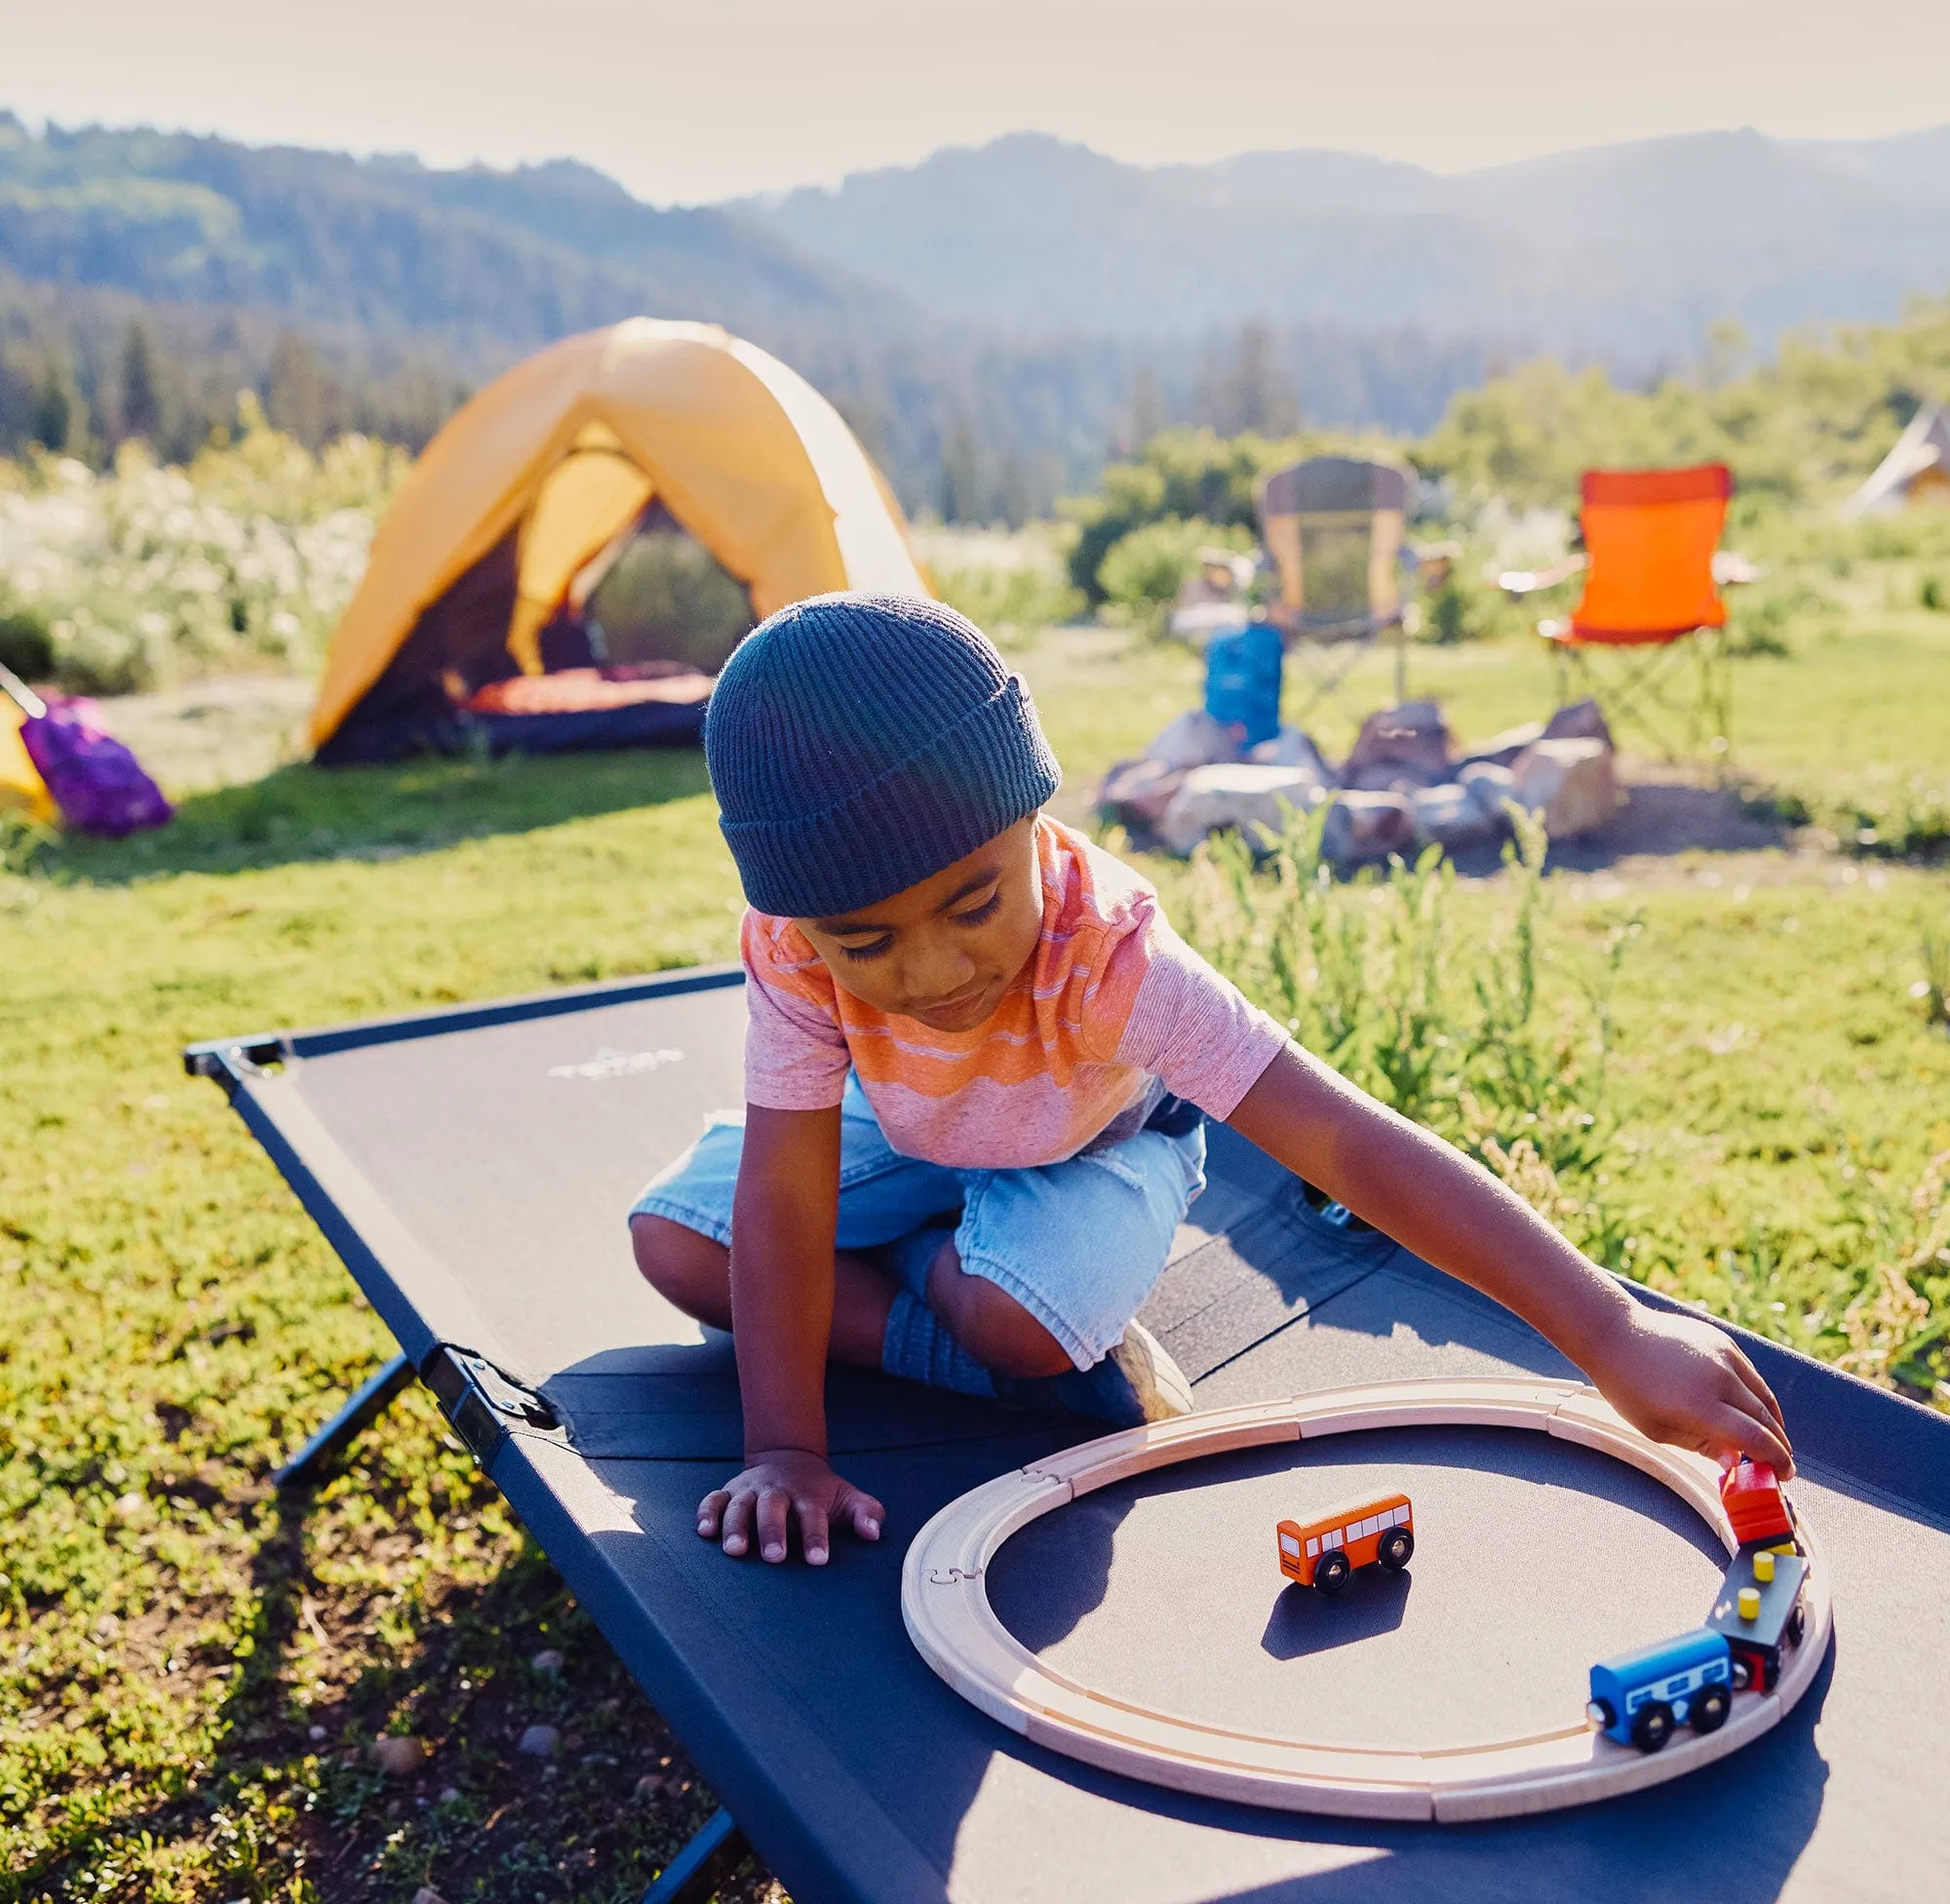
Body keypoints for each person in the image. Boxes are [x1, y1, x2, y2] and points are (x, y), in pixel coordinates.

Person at [629, 594, 1794, 1568]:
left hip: (1088, 1146)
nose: (933, 971)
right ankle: (935, 1286)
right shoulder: (787, 942)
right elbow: (786, 1188)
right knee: (676, 1246)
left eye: (973, 903)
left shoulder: (1113, 958)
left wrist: (1611, 1329)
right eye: (864, 944)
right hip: (895, 1124)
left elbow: (1341, 1140)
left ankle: (961, 1298)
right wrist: (782, 1446)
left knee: (1019, 1323)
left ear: (1034, 822)